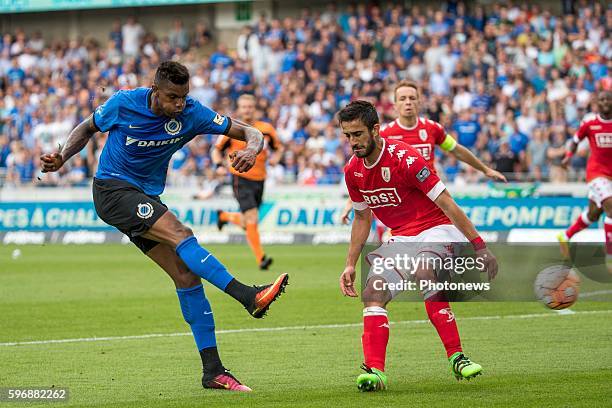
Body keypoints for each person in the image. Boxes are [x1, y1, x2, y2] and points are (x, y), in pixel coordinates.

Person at [39, 61, 289, 392]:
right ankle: (247, 295)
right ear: (155, 91)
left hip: (144, 196)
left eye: (183, 97)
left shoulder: (192, 113)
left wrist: (253, 148)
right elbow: (86, 128)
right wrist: (62, 157)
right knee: (182, 234)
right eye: (172, 97)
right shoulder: (123, 103)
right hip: (112, 190)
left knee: (186, 276)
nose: (178, 105)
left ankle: (213, 371)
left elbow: (250, 132)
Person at [338, 100, 498, 391]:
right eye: (348, 136)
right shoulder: (353, 171)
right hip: (402, 235)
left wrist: (479, 246)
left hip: (438, 228)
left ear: (375, 130)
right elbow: (362, 217)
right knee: (374, 292)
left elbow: (447, 203)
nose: (353, 142)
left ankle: (457, 357)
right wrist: (350, 263)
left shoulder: (406, 159)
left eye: (358, 134)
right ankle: (375, 372)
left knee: (426, 270)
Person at [341, 80, 506, 223]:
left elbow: (456, 150)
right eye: (402, 99)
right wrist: (351, 202)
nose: (408, 102)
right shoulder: (384, 134)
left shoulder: (432, 128)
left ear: (419, 102)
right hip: (403, 203)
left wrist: (485, 169)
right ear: (395, 104)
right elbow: (367, 170)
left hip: (431, 197)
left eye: (412, 98)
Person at [213, 94, 283, 270]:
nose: (247, 110)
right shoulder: (232, 129)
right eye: (244, 107)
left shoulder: (266, 129)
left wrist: (275, 158)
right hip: (240, 177)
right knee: (252, 217)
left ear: (255, 108)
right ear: (239, 108)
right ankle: (261, 259)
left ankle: (225, 216)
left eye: (250, 107)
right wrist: (217, 166)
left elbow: (278, 148)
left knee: (248, 222)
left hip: (260, 179)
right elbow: (216, 150)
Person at [558, 90, 612, 266]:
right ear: (597, 103)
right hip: (596, 173)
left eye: (607, 99)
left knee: (593, 214)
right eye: (601, 99)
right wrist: (568, 155)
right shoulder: (590, 123)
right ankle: (610, 255)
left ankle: (565, 236)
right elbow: (575, 140)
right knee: (611, 207)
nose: (604, 102)